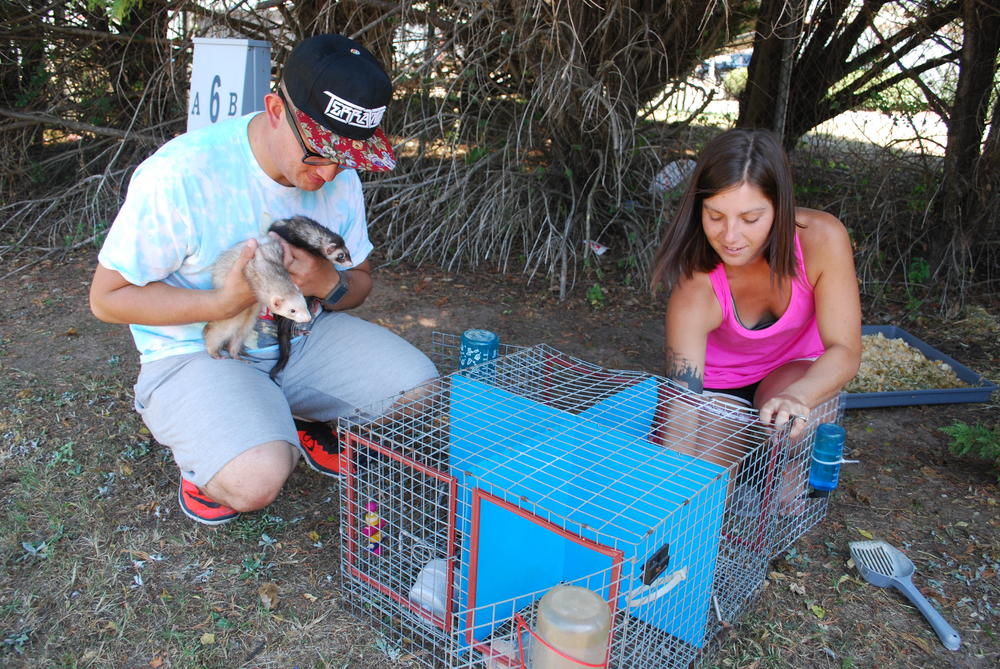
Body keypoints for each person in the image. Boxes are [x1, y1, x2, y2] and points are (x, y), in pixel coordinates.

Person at [89, 34, 437, 526]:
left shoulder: (340, 177)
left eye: (348, 155)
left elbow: (357, 283)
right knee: (254, 481)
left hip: (303, 338)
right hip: (202, 352)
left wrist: (325, 283)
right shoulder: (182, 174)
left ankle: (296, 417)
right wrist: (221, 302)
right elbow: (107, 300)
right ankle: (211, 454)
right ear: (276, 109)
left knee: (419, 391)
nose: (331, 171)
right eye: (317, 151)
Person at [650, 128, 861, 483]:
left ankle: (776, 468)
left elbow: (845, 350)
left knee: (797, 462)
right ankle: (746, 466)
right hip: (719, 391)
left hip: (792, 375)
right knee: (702, 493)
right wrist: (670, 481)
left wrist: (800, 396)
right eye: (715, 216)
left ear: (780, 208)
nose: (730, 237)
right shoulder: (695, 287)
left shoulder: (822, 238)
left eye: (750, 219)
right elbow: (684, 399)